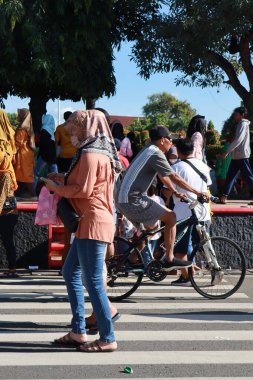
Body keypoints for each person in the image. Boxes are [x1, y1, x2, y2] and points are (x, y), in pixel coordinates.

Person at [43, 109, 121, 353]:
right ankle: (78, 331)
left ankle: (107, 337)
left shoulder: (89, 153)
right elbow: (88, 183)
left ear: (87, 128)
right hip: (94, 220)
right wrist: (64, 179)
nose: (72, 133)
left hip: (92, 221)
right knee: (71, 272)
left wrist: (55, 187)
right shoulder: (101, 152)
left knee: (94, 281)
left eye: (75, 128)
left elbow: (84, 190)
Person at [117, 125, 208, 273]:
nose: (171, 144)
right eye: (170, 140)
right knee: (171, 217)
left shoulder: (148, 149)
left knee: (151, 228)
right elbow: (174, 176)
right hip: (132, 200)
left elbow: (162, 175)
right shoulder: (156, 153)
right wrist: (197, 192)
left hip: (124, 199)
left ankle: (131, 259)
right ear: (162, 140)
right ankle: (170, 258)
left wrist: (173, 191)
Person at [163, 138, 212, 286]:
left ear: (178, 150)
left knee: (180, 247)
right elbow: (207, 189)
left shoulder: (176, 167)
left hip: (182, 212)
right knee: (204, 243)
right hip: (202, 211)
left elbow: (166, 192)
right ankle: (212, 269)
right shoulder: (204, 166)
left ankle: (186, 277)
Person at [218, 107, 253, 204]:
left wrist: (227, 152)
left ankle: (224, 196)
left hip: (242, 155)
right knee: (230, 176)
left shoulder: (242, 123)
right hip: (237, 156)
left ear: (242, 115)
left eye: (236, 114)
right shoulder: (240, 124)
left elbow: (238, 140)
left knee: (248, 177)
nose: (234, 116)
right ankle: (224, 197)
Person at [0, 110, 19, 278]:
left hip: (4, 204)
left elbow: (4, 184)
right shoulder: (8, 143)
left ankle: (12, 268)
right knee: (7, 239)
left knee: (7, 238)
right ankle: (11, 268)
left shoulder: (2, 147)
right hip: (9, 203)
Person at [14, 108, 36, 198]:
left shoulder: (21, 129)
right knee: (25, 174)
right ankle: (23, 193)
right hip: (28, 153)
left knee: (26, 175)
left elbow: (17, 143)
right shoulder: (28, 127)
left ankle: (33, 195)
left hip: (22, 153)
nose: (18, 115)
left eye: (19, 114)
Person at [34, 114, 58, 187]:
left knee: (35, 173)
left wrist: (41, 156)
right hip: (52, 156)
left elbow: (43, 145)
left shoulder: (44, 130)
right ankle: (57, 193)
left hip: (44, 156)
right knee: (55, 175)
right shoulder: (51, 130)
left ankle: (32, 192)